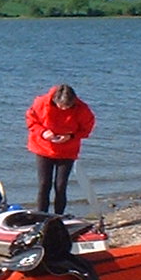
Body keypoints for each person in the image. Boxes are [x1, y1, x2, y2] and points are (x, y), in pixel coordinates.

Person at [25, 83, 95, 215]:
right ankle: (41, 216)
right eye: (61, 106)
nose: (63, 109)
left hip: (67, 150)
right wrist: (43, 132)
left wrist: (71, 135)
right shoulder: (41, 103)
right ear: (55, 100)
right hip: (43, 148)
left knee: (61, 185)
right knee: (44, 184)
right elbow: (31, 121)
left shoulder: (82, 109)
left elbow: (87, 129)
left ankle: (58, 216)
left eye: (67, 107)